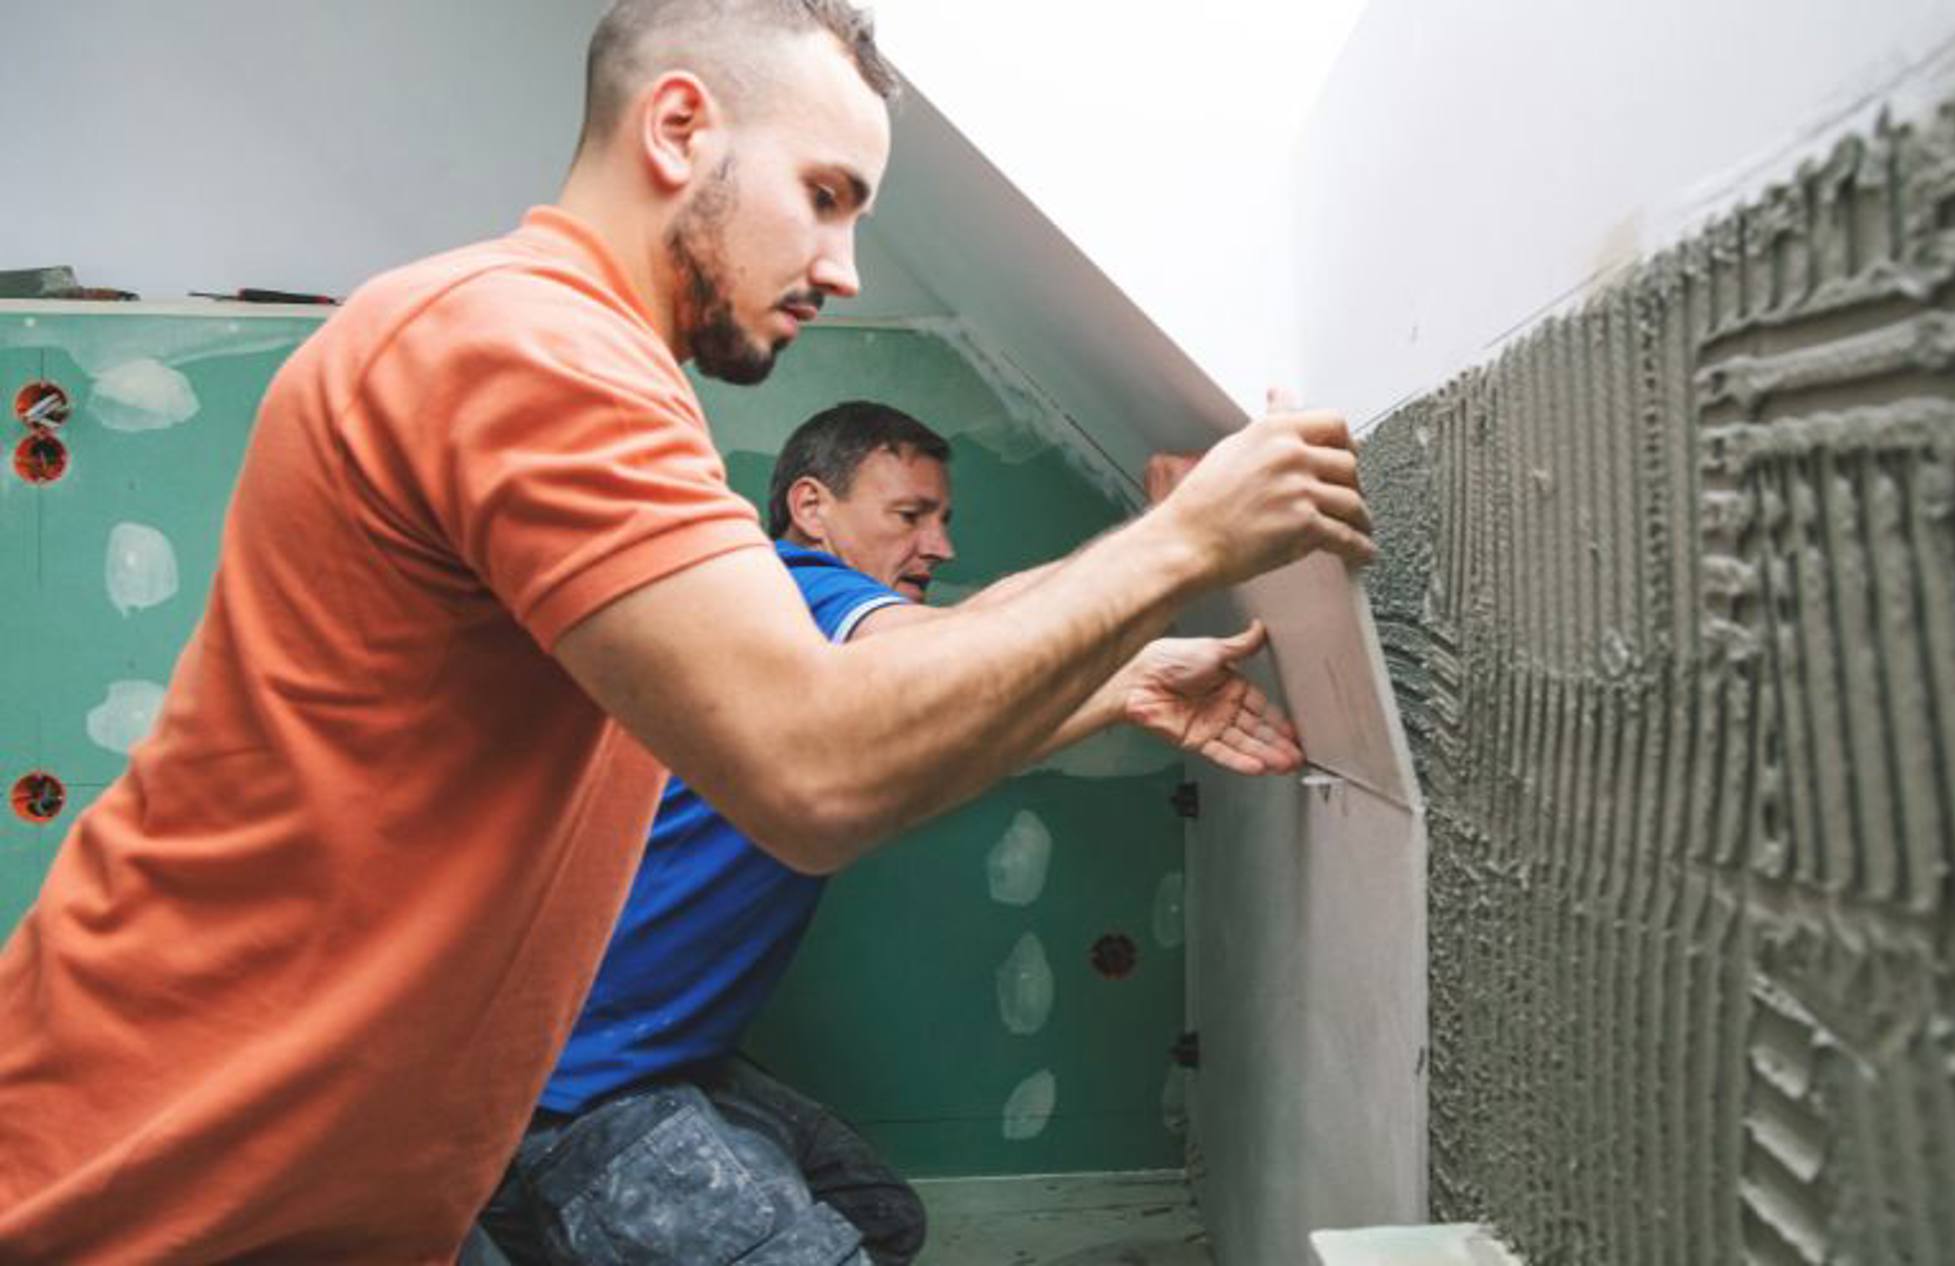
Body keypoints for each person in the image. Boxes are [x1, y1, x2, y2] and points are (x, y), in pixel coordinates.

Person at [0, 0, 1372, 1259]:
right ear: (677, 127)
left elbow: (863, 686)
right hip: (147, 1177)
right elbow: (819, 769)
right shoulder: (529, 349)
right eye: (824, 197)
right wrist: (1186, 543)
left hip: (337, 1178)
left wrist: (1122, 667)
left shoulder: (568, 365)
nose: (842, 265)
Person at [478, 401, 1299, 1264]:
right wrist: (1171, 540)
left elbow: (963, 667)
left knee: (875, 1214)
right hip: (580, 1088)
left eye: (942, 519)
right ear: (810, 508)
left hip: (656, 1056)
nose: (938, 544)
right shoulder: (794, 588)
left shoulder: (795, 638)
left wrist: (1125, 686)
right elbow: (971, 646)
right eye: (910, 516)